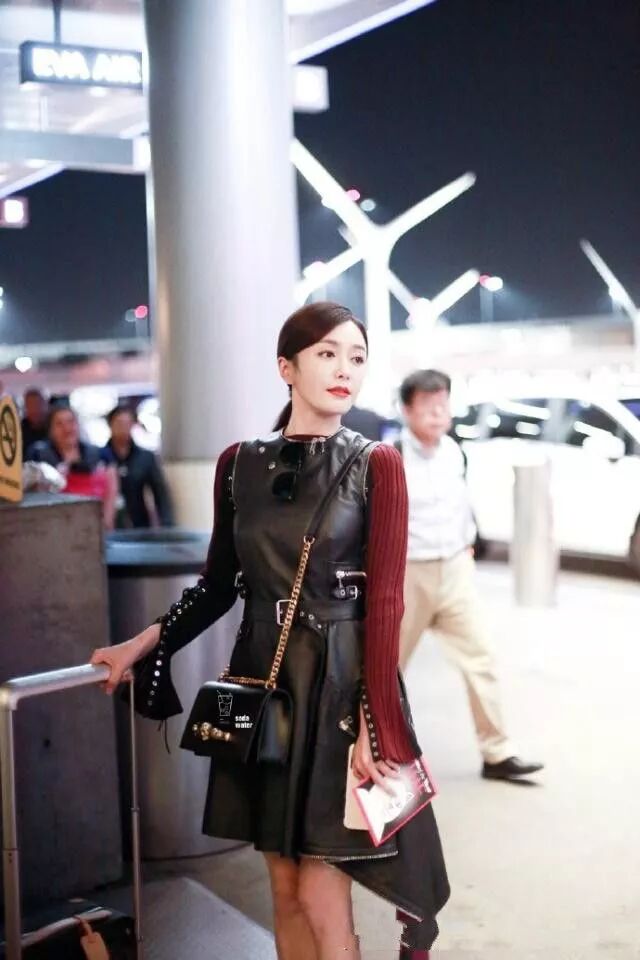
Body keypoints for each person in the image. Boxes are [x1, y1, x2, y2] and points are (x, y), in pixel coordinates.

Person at [91, 303, 449, 960]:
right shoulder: (238, 465)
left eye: (357, 357)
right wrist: (140, 645)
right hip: (263, 680)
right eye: (327, 354)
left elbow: (386, 603)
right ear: (287, 367)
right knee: (283, 885)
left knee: (320, 889)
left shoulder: (377, 463)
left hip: (339, 689)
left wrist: (375, 723)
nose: (345, 370)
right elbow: (217, 585)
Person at [397, 369, 543, 782]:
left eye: (443, 404)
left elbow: (460, 504)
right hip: (408, 573)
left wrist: (468, 544)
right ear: (407, 410)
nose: (437, 413)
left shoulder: (454, 452)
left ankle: (497, 752)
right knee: (386, 670)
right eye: (428, 405)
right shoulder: (389, 456)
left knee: (481, 657)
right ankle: (364, 754)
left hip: (455, 571)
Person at [27, 402, 118, 530]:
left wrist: (106, 521)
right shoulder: (38, 454)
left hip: (95, 523)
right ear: (50, 429)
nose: (67, 429)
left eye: (71, 422)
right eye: (59, 424)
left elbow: (112, 489)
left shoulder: (100, 454)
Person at [104, 404, 174, 528]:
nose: (123, 429)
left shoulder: (145, 457)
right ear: (111, 425)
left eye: (127, 424)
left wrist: (166, 523)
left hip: (138, 523)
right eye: (119, 423)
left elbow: (160, 494)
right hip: (109, 523)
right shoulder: (100, 457)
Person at [20, 387, 49, 455]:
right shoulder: (19, 429)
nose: (34, 409)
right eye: (30, 405)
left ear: (46, 405)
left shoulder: (54, 427)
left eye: (37, 404)